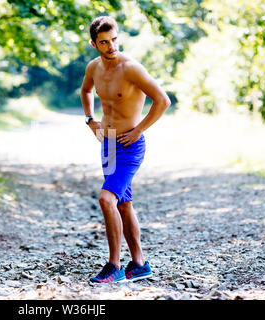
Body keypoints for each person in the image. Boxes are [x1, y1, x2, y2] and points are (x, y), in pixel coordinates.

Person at [80, 16, 171, 283]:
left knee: (106, 199)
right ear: (94, 44)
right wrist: (90, 120)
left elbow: (162, 100)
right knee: (123, 203)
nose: (111, 46)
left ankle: (114, 266)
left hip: (129, 145)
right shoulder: (93, 68)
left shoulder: (131, 68)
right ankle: (140, 264)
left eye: (114, 39)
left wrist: (140, 129)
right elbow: (86, 91)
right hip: (107, 142)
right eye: (104, 42)